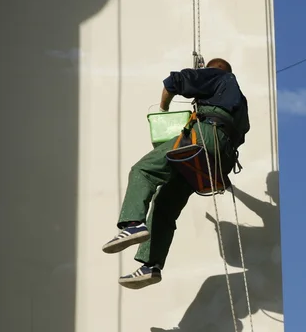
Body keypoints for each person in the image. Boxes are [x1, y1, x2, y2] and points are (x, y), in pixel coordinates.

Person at [101, 58, 250, 290]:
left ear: (213, 70)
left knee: (143, 170)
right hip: (221, 158)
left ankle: (132, 223)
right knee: (165, 205)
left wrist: (164, 108)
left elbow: (174, 82)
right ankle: (151, 266)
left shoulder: (218, 76)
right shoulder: (240, 100)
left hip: (204, 136)